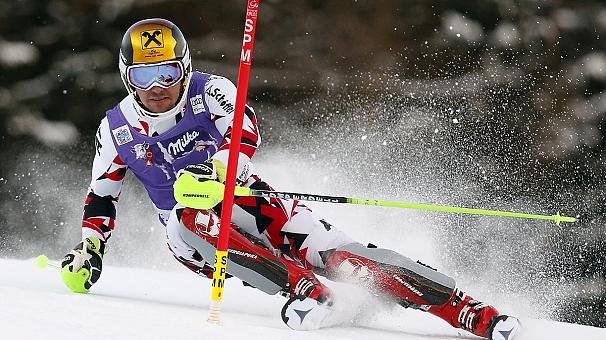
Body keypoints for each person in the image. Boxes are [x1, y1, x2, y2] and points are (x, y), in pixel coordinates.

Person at [61, 18, 520, 340]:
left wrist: (219, 169)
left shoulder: (211, 91)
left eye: (168, 72)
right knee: (186, 217)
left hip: (251, 200)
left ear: (184, 67)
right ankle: (303, 288)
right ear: (127, 76)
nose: (157, 86)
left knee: (342, 256)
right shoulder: (115, 128)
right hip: (193, 235)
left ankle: (464, 309)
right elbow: (102, 195)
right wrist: (90, 249)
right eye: (144, 75)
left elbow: (245, 130)